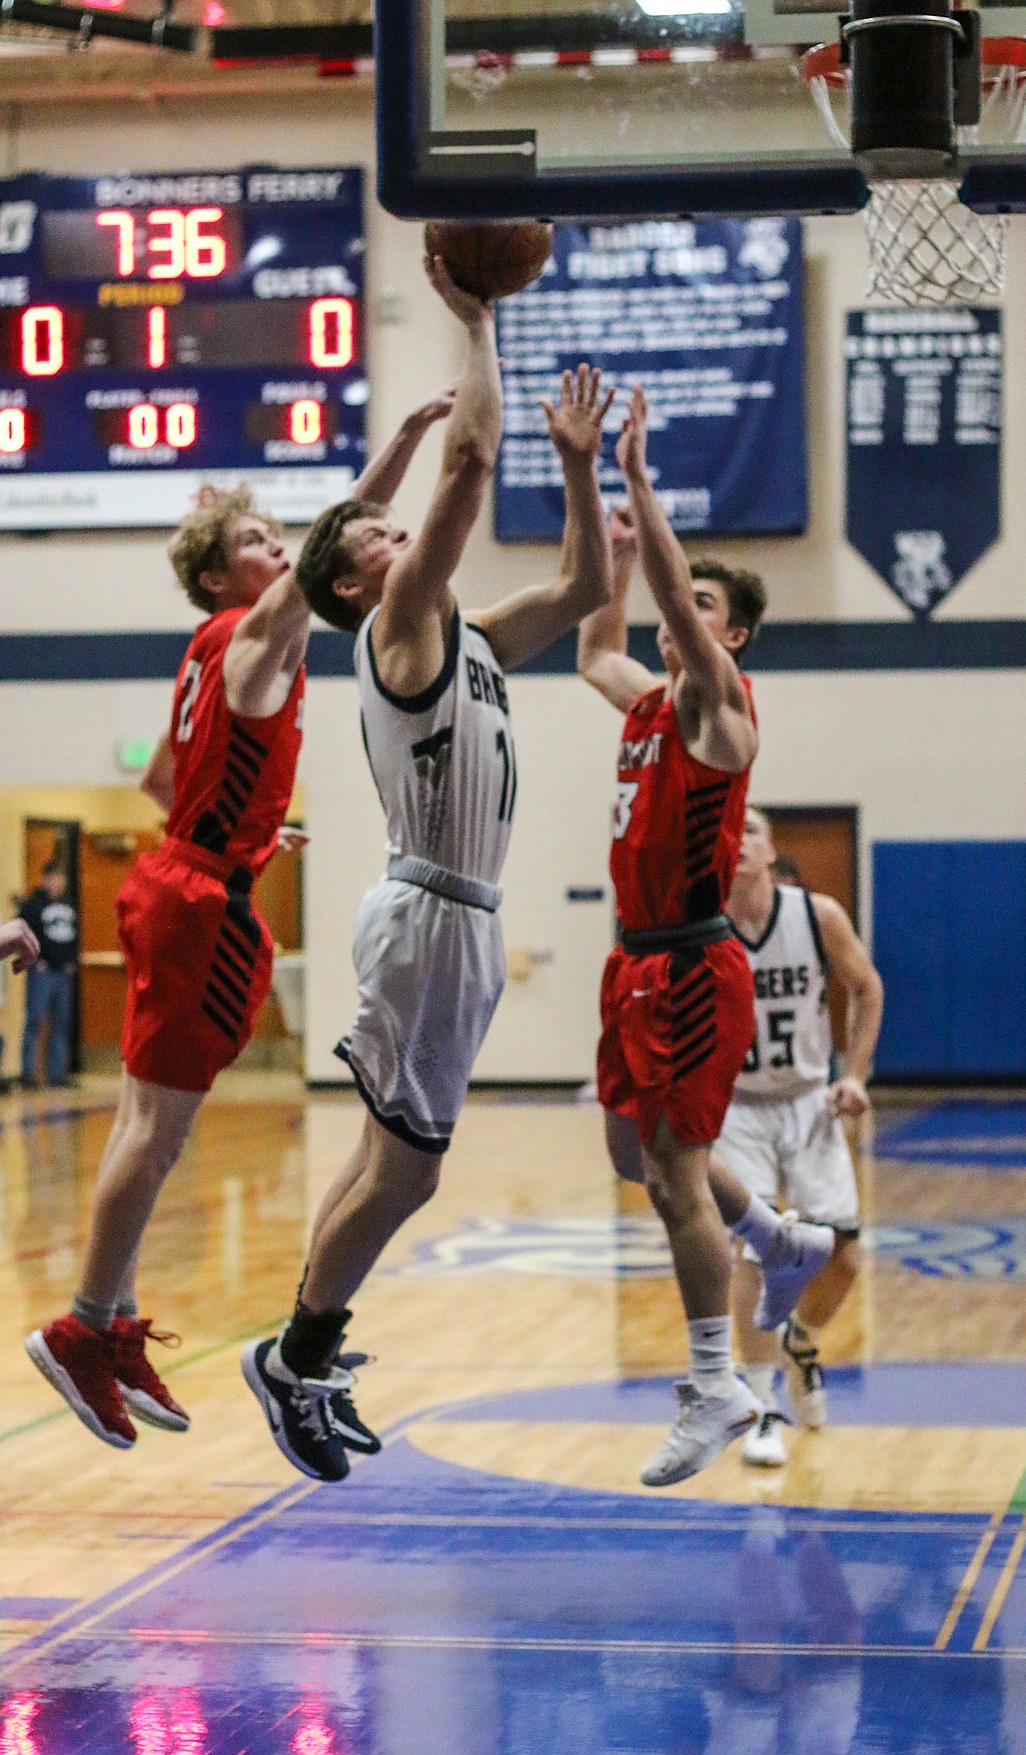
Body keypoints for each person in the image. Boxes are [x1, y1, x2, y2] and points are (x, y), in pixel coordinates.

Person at [242, 252, 617, 1483]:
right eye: (378, 537)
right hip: (426, 914)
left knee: (383, 1161)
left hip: (450, 916)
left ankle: (307, 1343)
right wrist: (479, 324)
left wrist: (576, 464)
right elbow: (462, 462)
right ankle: (297, 1353)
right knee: (405, 1170)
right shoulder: (401, 626)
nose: (402, 537)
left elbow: (584, 587)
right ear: (357, 580)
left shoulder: (465, 633)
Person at [24, 386, 455, 1453]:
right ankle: (82, 1328)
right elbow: (335, 544)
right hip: (196, 900)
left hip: (186, 876)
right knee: (154, 1134)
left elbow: (166, 777)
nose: (281, 551)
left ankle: (117, 1322)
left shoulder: (214, 645)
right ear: (225, 577)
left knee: (143, 1122)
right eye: (259, 542)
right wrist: (402, 439)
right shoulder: (254, 633)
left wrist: (240, 834)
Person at [576, 387, 834, 1489]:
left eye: (707, 607)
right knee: (631, 1154)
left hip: (688, 962)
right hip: (632, 959)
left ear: (733, 636)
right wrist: (608, 528)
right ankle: (783, 1239)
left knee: (678, 1182)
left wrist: (636, 478)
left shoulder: (720, 708)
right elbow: (597, 640)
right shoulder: (645, 703)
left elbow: (675, 618)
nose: (687, 617)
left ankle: (715, 1382)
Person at [717, 814, 883, 1467]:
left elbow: (866, 987)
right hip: (737, 1107)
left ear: (769, 849)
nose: (737, 839)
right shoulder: (699, 924)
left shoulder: (818, 917)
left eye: (750, 829)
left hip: (808, 1100)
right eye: (726, 830)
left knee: (842, 1258)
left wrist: (857, 1075)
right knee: (755, 1251)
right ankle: (760, 1408)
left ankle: (801, 1344)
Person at [19, 861, 79, 1089]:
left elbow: (73, 936)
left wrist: (71, 961)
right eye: (52, 878)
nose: (56, 883)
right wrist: (35, 960)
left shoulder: (68, 905)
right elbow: (23, 934)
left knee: (61, 1023)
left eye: (59, 878)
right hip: (42, 972)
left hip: (63, 972)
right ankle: (28, 1074)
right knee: (34, 1020)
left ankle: (57, 1074)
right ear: (44, 879)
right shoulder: (33, 905)